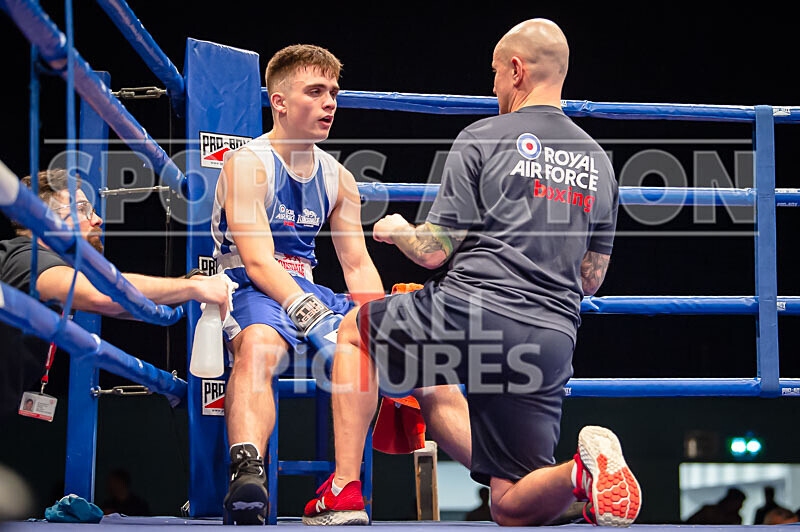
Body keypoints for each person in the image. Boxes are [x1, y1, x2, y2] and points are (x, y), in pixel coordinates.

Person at [302, 19, 640, 527]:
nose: (496, 87)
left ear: (517, 70)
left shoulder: (484, 135)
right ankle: (581, 475)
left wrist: (396, 229)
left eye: (497, 74)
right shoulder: (599, 163)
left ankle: (345, 492)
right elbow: (592, 279)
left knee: (354, 333)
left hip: (469, 309)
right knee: (509, 504)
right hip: (550, 336)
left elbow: (434, 251)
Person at [211, 44, 470, 525]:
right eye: (315, 91)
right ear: (280, 101)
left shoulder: (340, 178)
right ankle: (248, 471)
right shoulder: (248, 163)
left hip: (311, 288)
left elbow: (356, 266)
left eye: (334, 91)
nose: (331, 102)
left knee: (430, 364)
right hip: (251, 285)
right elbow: (257, 260)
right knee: (261, 346)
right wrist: (306, 311)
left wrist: (380, 324)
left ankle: (507, 475)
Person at [0, 169, 232, 417]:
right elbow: (103, 297)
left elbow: (124, 307)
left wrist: (181, 291)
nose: (97, 219)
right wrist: (194, 287)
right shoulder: (26, 258)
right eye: (82, 208)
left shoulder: (39, 266)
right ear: (47, 219)